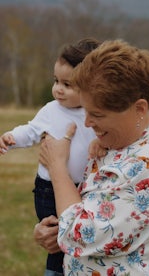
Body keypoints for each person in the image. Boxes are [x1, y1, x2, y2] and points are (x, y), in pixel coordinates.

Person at [34, 39, 149, 275]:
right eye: (84, 111)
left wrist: (57, 167)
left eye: (97, 114)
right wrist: (54, 231)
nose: (88, 123)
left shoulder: (148, 163)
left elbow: (77, 234)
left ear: (139, 108)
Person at [0, 38, 103, 276]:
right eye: (56, 81)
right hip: (47, 189)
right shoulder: (50, 110)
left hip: (83, 189)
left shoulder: (95, 114)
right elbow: (32, 130)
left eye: (68, 84)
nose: (58, 88)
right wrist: (11, 137)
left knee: (74, 237)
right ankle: (55, 270)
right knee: (57, 235)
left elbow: (103, 139)